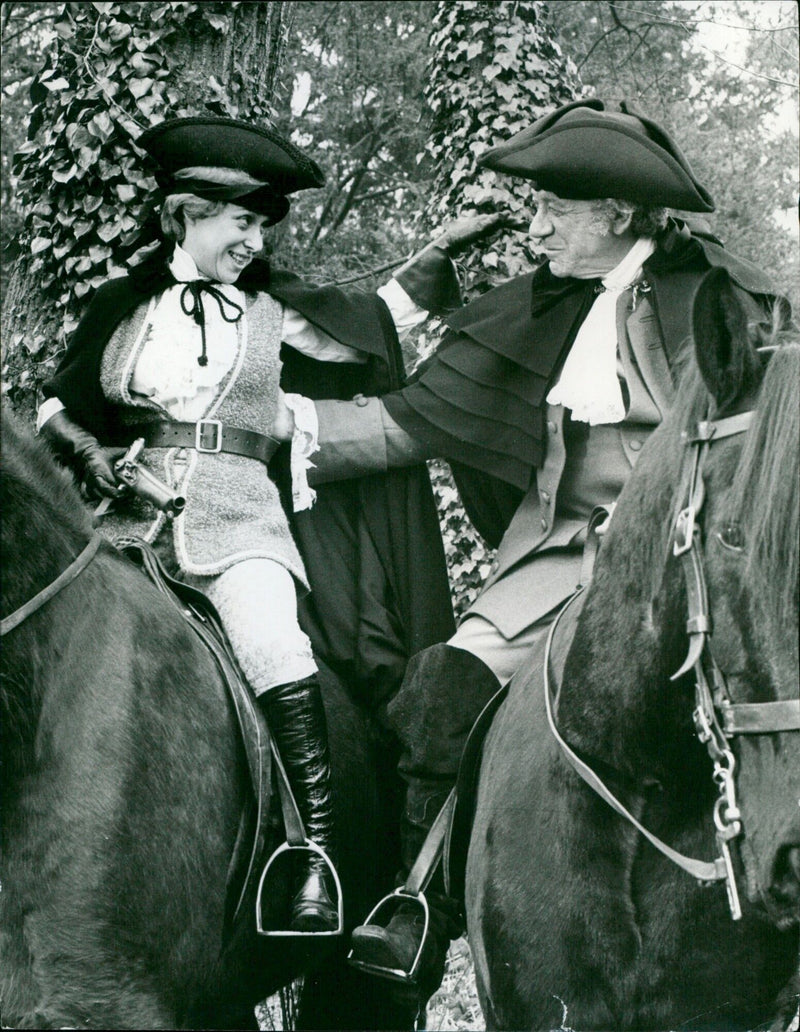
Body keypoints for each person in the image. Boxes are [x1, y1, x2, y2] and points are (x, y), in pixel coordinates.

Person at [271, 98, 781, 999]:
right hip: (551, 565)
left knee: (771, 682)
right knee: (439, 694)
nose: (534, 227)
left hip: (684, 556)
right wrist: (257, 426)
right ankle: (417, 909)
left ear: (616, 215)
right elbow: (402, 426)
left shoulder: (725, 299)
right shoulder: (541, 304)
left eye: (555, 210)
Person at [36, 115, 481, 936]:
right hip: (125, 519)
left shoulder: (276, 312)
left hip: (241, 520)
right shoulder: (122, 306)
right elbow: (59, 402)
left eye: (262, 226)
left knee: (276, 644)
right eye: (241, 222)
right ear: (185, 215)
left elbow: (371, 320)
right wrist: (84, 447)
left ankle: (306, 854)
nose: (253, 240)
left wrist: (434, 259)